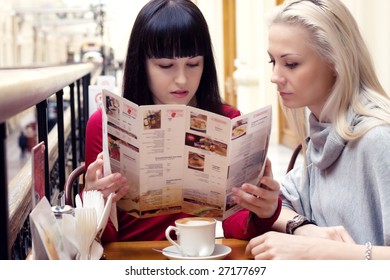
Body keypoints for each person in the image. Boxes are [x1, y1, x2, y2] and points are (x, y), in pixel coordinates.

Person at [84, 0, 281, 244]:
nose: (181, 79)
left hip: (198, 259)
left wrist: (264, 211)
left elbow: (235, 227)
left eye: (193, 64)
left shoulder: (227, 120)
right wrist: (93, 202)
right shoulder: (104, 123)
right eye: (166, 66)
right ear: (141, 64)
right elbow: (106, 240)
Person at [232, 0, 390, 259]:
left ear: (336, 61)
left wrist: (319, 251)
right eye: (272, 61)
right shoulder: (320, 133)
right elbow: (284, 205)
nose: (274, 76)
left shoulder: (379, 140)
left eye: (291, 64)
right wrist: (300, 226)